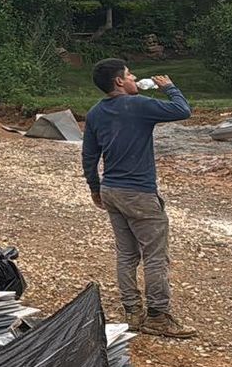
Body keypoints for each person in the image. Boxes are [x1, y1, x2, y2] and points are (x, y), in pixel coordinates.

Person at [83, 58, 195, 338]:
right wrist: (169, 87)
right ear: (119, 81)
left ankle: (132, 312)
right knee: (155, 256)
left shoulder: (96, 113)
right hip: (140, 193)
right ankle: (158, 316)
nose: (135, 78)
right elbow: (183, 111)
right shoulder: (140, 105)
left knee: (126, 254)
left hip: (112, 191)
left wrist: (95, 188)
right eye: (130, 74)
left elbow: (89, 156)